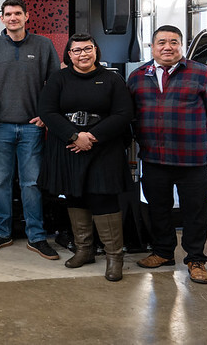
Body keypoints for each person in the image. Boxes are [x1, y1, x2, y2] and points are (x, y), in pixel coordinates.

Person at [128, 25, 207, 284]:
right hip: (153, 156)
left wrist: (194, 129)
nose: (167, 47)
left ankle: (196, 259)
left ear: (181, 46)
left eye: (174, 42)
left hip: (190, 156)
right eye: (161, 42)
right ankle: (163, 252)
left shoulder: (202, 74)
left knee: (194, 211)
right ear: (152, 47)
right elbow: (131, 113)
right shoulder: (139, 76)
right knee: (157, 208)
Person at [38, 33, 133, 281]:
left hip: (104, 147)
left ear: (96, 51)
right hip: (69, 147)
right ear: (69, 55)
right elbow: (47, 111)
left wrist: (91, 137)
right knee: (75, 195)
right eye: (76, 50)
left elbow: (123, 114)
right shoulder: (58, 79)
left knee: (104, 199)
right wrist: (73, 136)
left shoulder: (112, 80)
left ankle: (114, 258)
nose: (83, 54)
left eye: (87, 49)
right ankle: (84, 250)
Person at [0, 0, 60, 260]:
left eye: (17, 13)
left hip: (31, 128)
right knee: (1, 182)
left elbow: (55, 84)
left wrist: (46, 117)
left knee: (31, 183)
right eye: (8, 14)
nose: (13, 18)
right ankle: (2, 232)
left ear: (27, 17)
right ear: (1, 18)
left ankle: (36, 236)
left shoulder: (44, 45)